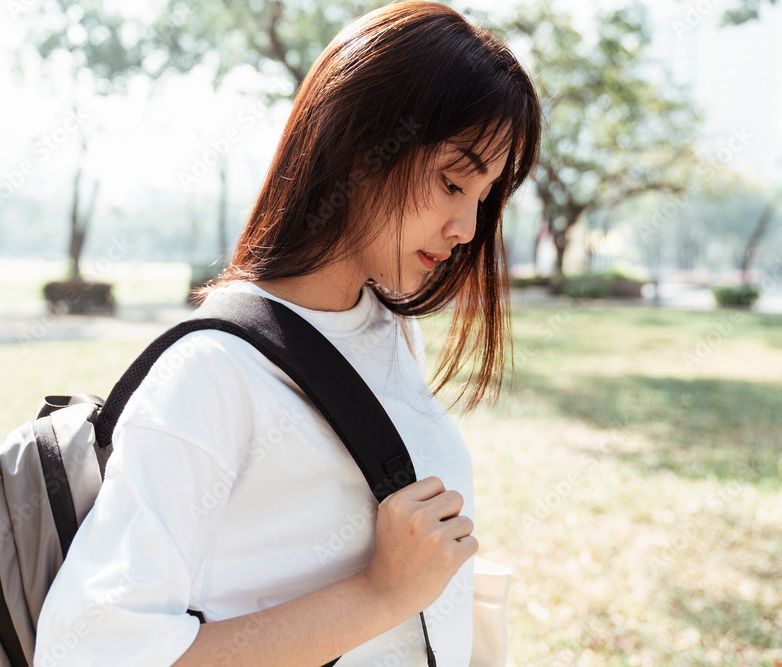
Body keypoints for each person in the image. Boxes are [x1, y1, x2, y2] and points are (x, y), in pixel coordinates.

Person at [34, 1, 541, 665]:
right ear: (361, 142)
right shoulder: (211, 372)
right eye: (452, 180)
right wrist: (379, 593)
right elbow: (86, 652)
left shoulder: (388, 332)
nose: (468, 228)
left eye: (484, 195)